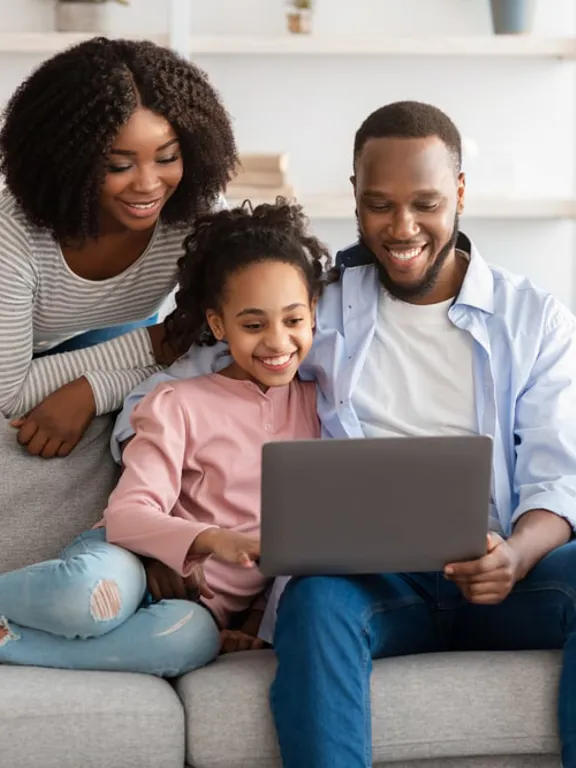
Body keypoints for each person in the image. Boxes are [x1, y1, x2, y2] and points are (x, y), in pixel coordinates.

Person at [111, 102, 576, 766]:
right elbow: (158, 393)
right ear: (354, 197)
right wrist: (166, 531)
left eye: (426, 202)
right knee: (314, 599)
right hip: (372, 582)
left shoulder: (534, 319)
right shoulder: (316, 306)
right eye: (380, 204)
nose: (403, 226)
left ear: (461, 194)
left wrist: (519, 555)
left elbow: (558, 478)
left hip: (502, 571)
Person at [0, 200, 329, 676]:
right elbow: (127, 516)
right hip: (124, 561)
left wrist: (256, 620)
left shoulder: (323, 412)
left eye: (294, 321)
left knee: (191, 642)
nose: (278, 342)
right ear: (218, 325)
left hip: (195, 609)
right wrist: (212, 540)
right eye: (253, 325)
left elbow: (304, 546)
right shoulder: (178, 402)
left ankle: (11, 645)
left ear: (313, 314)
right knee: (91, 599)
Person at [0, 36, 236, 459]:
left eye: (166, 158)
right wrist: (160, 343)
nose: (148, 185)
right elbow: (7, 393)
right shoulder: (11, 235)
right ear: (67, 161)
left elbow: (233, 333)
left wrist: (93, 390)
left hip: (103, 333)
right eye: (118, 166)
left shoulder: (199, 214)